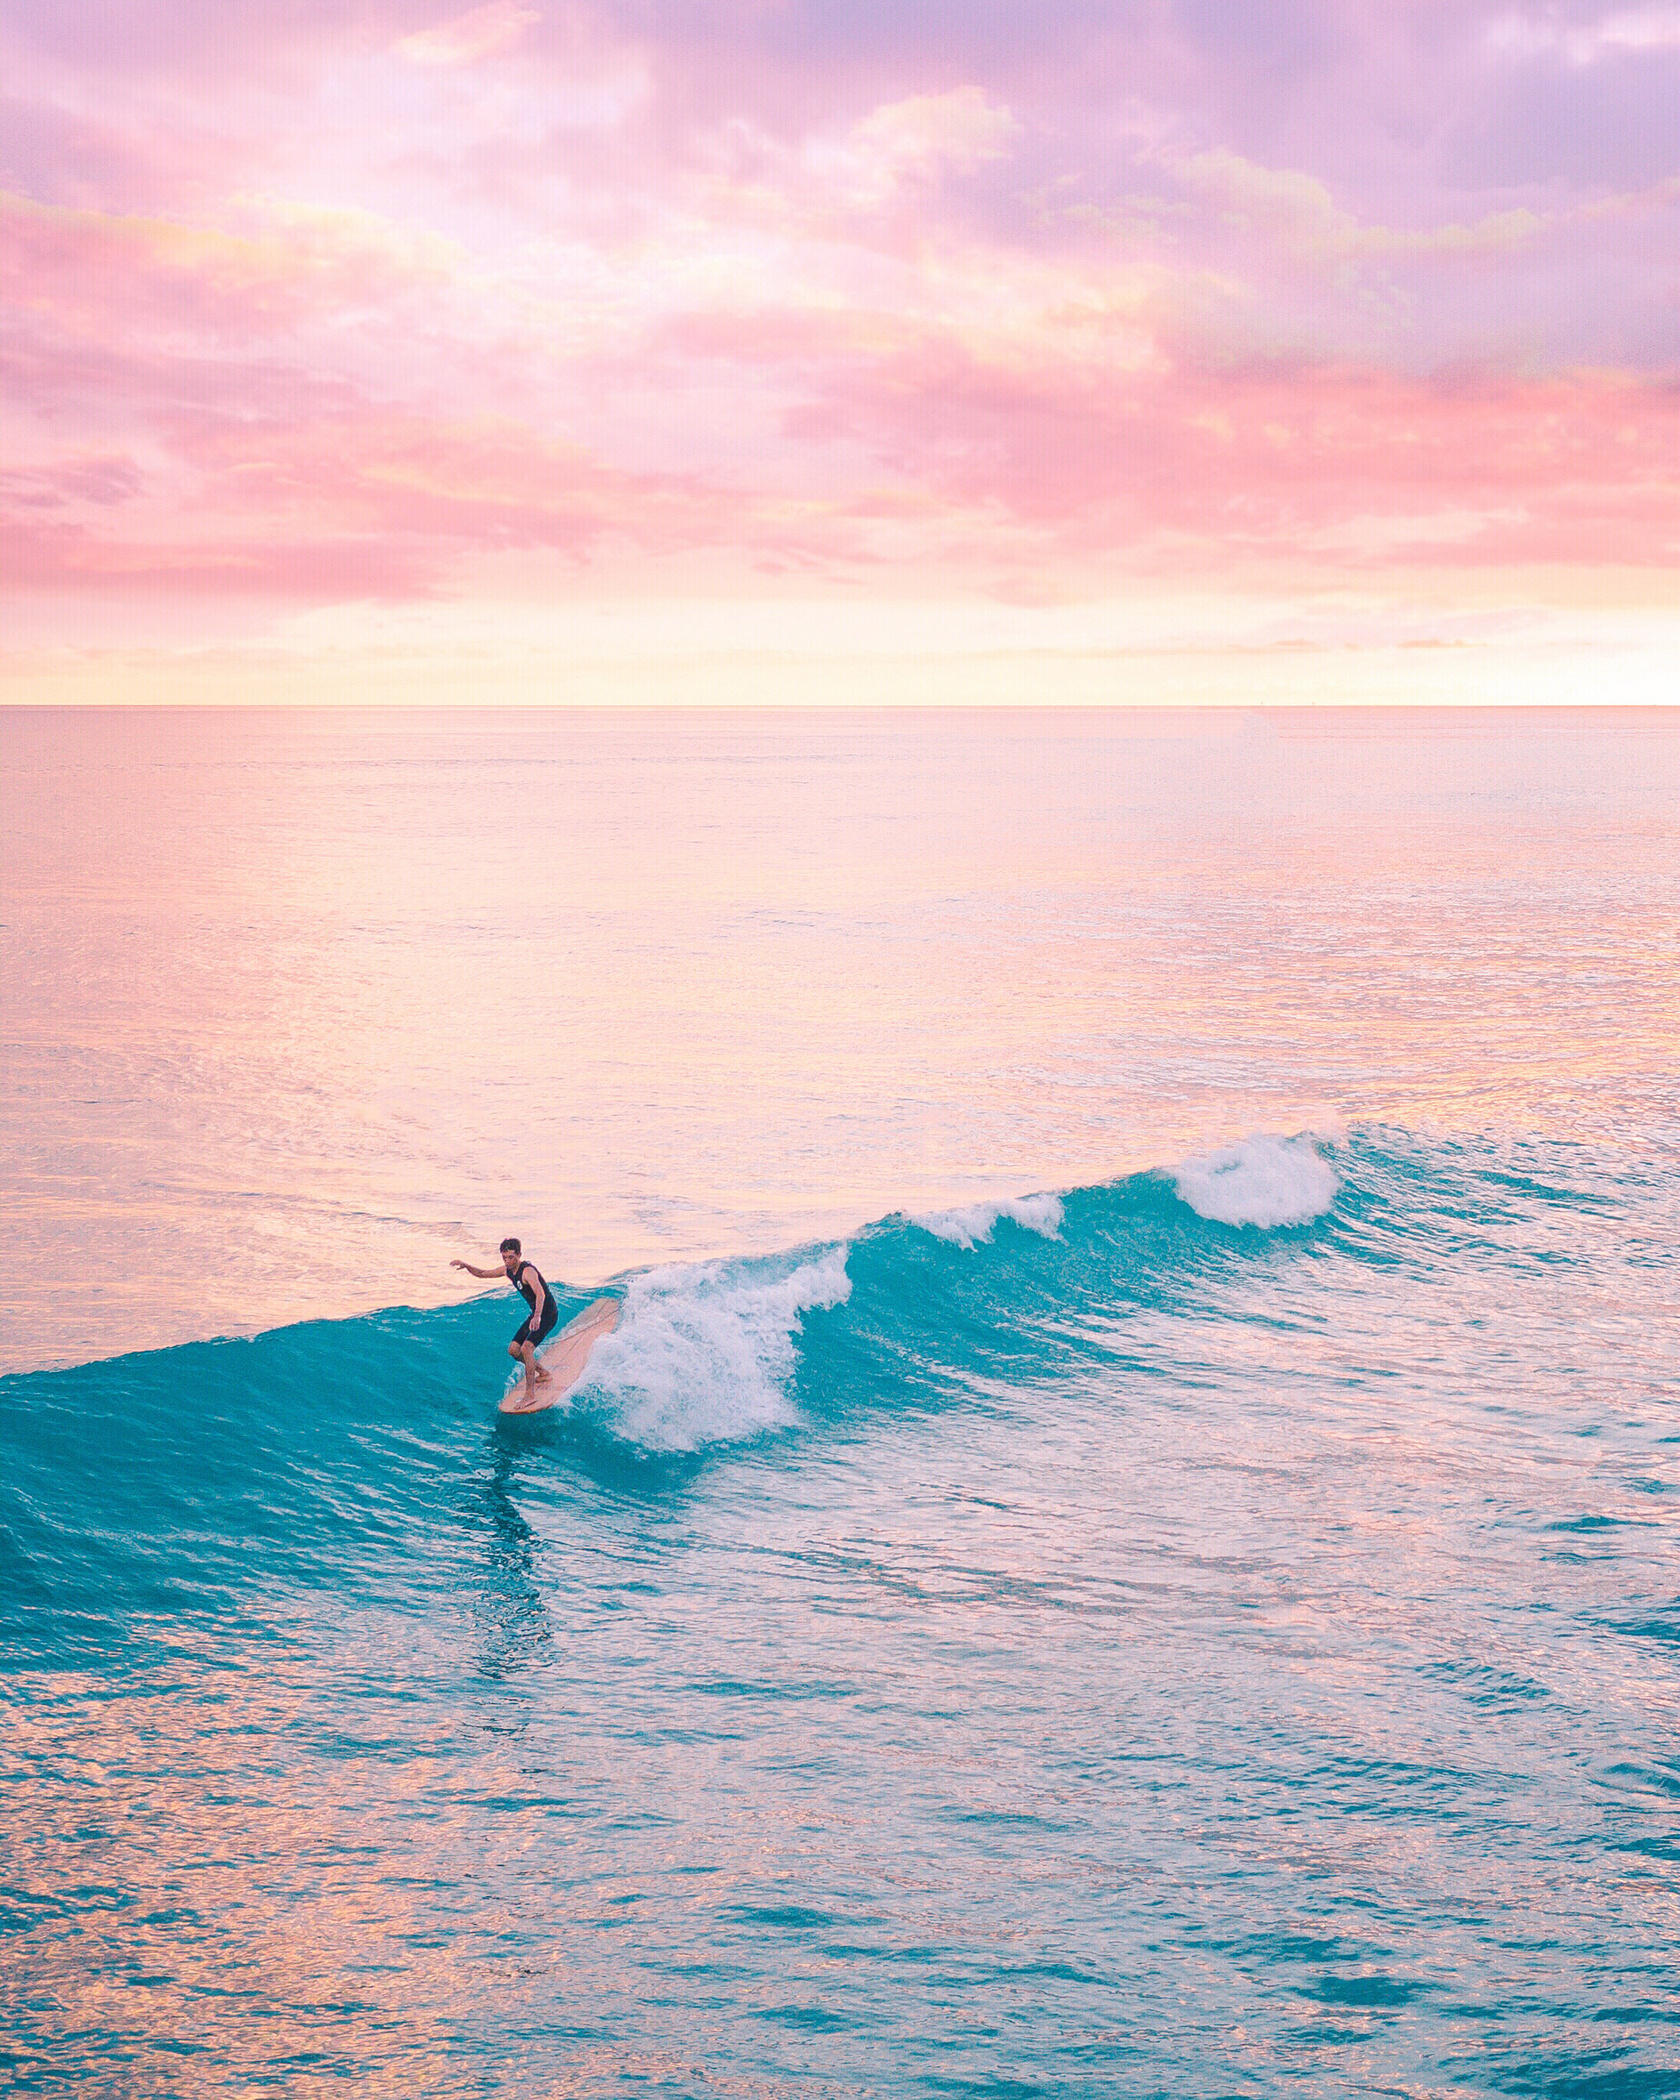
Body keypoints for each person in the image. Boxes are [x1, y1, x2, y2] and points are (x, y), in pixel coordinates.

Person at [452, 1238, 559, 1407]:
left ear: (519, 1255)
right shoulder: (507, 1270)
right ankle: (544, 1373)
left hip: (547, 1314)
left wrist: (537, 1316)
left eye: (511, 1257)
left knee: (527, 1348)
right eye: (504, 1258)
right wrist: (467, 1266)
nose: (508, 1261)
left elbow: (540, 1294)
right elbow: (482, 1273)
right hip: (535, 1314)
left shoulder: (527, 1271)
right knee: (514, 1350)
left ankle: (530, 1394)